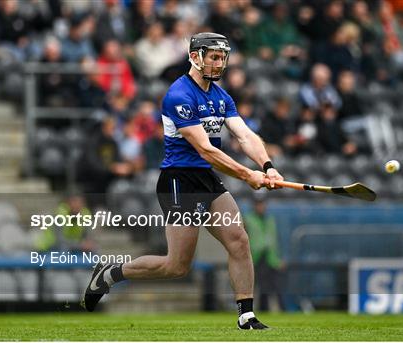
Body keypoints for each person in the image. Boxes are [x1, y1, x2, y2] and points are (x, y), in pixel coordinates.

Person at [82, 32, 283, 330]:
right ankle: (111, 273)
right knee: (175, 266)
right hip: (179, 182)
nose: (219, 62)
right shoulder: (179, 95)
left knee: (239, 240)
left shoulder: (221, 96)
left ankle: (246, 315)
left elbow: (245, 135)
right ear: (194, 57)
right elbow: (205, 149)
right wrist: (246, 174)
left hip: (207, 179)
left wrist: (267, 166)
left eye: (222, 57)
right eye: (213, 56)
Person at [245, 195, 285, 312]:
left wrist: (279, 258)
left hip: (271, 258)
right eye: (258, 204)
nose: (261, 207)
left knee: (277, 286)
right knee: (262, 288)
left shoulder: (270, 219)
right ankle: (263, 310)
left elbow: (276, 240)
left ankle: (283, 310)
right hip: (256, 258)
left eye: (263, 204)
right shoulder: (248, 219)